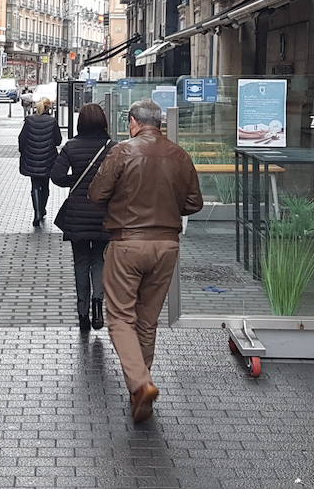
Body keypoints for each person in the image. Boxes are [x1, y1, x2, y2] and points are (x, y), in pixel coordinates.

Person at [88, 99, 202, 423]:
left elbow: (97, 194)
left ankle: (141, 384)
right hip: (167, 245)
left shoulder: (123, 151)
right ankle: (140, 394)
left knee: (121, 318)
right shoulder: (179, 155)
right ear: (160, 124)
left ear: (134, 122)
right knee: (147, 320)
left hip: (128, 243)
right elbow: (194, 203)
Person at [50, 103, 114, 332]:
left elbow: (56, 175)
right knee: (100, 260)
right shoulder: (112, 148)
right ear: (103, 122)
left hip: (77, 214)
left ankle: (82, 312)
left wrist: (76, 183)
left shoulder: (71, 146)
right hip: (103, 214)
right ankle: (98, 305)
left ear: (80, 122)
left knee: (80, 262)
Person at [17, 98, 62, 227]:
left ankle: (37, 213)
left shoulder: (29, 120)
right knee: (45, 186)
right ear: (49, 108)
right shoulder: (52, 121)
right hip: (48, 159)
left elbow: (22, 138)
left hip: (32, 158)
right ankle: (42, 210)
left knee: (35, 185)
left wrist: (23, 151)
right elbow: (58, 140)